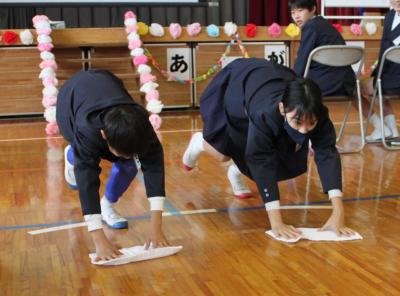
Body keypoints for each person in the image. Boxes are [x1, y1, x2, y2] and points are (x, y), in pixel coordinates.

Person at [182, 58, 355, 239]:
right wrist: (276, 223)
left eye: (310, 124)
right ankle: (198, 142)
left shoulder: (315, 112)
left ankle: (237, 170)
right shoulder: (264, 113)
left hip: (272, 81)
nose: (305, 130)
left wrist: (338, 212)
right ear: (282, 108)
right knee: (224, 153)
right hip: (238, 87)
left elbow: (327, 153)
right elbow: (260, 159)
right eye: (298, 122)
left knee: (284, 154)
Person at [57, 69, 169, 261]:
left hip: (108, 83)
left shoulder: (143, 126)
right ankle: (71, 156)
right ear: (104, 135)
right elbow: (88, 182)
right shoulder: (88, 129)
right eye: (122, 152)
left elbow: (154, 167)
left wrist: (156, 226)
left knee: (128, 165)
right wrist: (99, 240)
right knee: (82, 157)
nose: (128, 156)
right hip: (71, 100)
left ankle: (108, 205)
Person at [290, 0, 356, 97]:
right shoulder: (326, 25)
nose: (296, 16)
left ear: (313, 9)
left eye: (300, 10)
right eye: (293, 13)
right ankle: (372, 113)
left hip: (321, 85)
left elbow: (302, 61)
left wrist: (291, 82)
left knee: (290, 91)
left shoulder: (310, 26)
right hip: (347, 82)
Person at [359, 1, 400, 141]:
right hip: (387, 71)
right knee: (372, 85)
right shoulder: (389, 16)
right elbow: (385, 48)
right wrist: (376, 72)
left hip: (396, 75)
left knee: (360, 88)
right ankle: (392, 131)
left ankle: (383, 129)